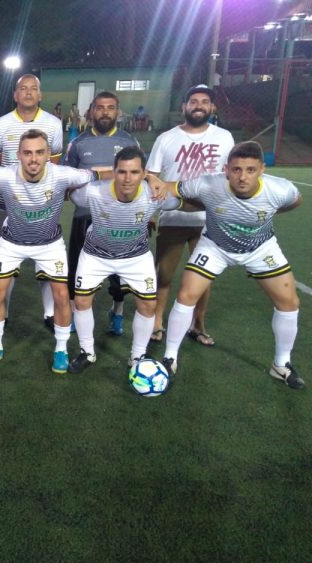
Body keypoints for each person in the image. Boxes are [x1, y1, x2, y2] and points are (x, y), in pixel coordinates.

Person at [155, 141, 304, 389]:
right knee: (186, 295)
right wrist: (154, 182)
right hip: (215, 247)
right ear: (226, 170)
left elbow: (295, 201)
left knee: (289, 302)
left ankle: (281, 364)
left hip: (260, 248)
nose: (242, 176)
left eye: (250, 170)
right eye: (236, 169)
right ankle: (170, 358)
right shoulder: (207, 184)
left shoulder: (280, 190)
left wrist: (268, 212)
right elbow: (171, 187)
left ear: (262, 169)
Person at [0, 129, 98, 374]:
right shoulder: (4, 175)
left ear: (48, 154)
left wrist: (146, 177)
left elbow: (96, 174)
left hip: (49, 244)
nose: (33, 159)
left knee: (62, 295)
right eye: (27, 153)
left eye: (40, 152)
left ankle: (61, 349)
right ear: (18, 155)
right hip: (12, 242)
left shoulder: (62, 174)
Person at [66, 147, 181, 374]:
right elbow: (69, 191)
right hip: (96, 254)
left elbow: (181, 201)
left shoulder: (155, 193)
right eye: (122, 172)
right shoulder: (94, 192)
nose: (128, 178)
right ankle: (87, 352)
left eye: (135, 172)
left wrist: (158, 182)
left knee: (148, 305)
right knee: (81, 301)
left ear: (144, 173)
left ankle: (137, 356)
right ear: (114, 172)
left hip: (135, 256)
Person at [148, 84, 234, 346]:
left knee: (203, 277)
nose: (199, 106)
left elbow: (230, 175)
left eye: (204, 102)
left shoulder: (224, 138)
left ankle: (198, 325)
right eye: (193, 101)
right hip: (174, 218)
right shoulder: (166, 138)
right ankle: (157, 322)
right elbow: (151, 177)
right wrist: (151, 213)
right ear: (184, 106)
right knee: (164, 274)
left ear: (212, 107)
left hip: (210, 221)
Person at [0, 74, 63, 332]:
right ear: (15, 94)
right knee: (5, 263)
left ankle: (49, 313)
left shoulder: (53, 124)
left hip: (43, 207)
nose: (28, 92)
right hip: (8, 205)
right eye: (23, 88)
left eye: (33, 88)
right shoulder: (0, 125)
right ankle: (4, 312)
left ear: (40, 94)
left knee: (47, 261)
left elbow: (55, 167)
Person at [64, 91, 140, 336]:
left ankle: (117, 311)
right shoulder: (78, 143)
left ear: (118, 112)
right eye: (99, 107)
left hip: (121, 217)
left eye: (110, 107)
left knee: (119, 271)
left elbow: (141, 178)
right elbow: (68, 177)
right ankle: (75, 312)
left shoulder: (129, 142)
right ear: (91, 112)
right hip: (85, 215)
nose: (105, 112)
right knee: (77, 267)